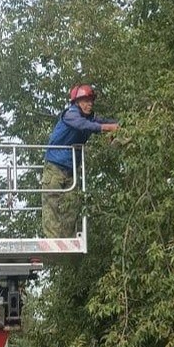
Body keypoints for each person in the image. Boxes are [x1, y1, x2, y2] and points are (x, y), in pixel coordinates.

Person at [41, 83, 120, 238]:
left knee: (73, 204)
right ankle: (53, 240)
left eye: (91, 100)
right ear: (77, 102)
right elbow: (83, 126)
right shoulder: (71, 114)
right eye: (85, 100)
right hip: (54, 167)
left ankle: (67, 239)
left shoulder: (90, 118)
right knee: (52, 204)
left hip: (71, 170)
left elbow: (104, 121)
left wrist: (122, 125)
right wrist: (108, 128)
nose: (89, 104)